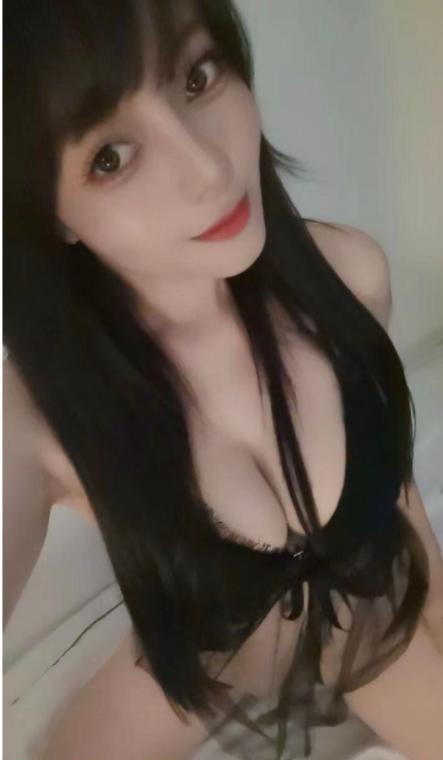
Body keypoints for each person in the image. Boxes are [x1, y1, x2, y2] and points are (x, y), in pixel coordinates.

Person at [3, 1, 443, 759]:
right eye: (110, 156)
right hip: (210, 646)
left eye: (197, 76)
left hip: (364, 626)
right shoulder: (40, 420)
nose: (209, 170)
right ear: (51, 214)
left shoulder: (347, 277)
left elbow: (393, 491)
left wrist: (435, 611)